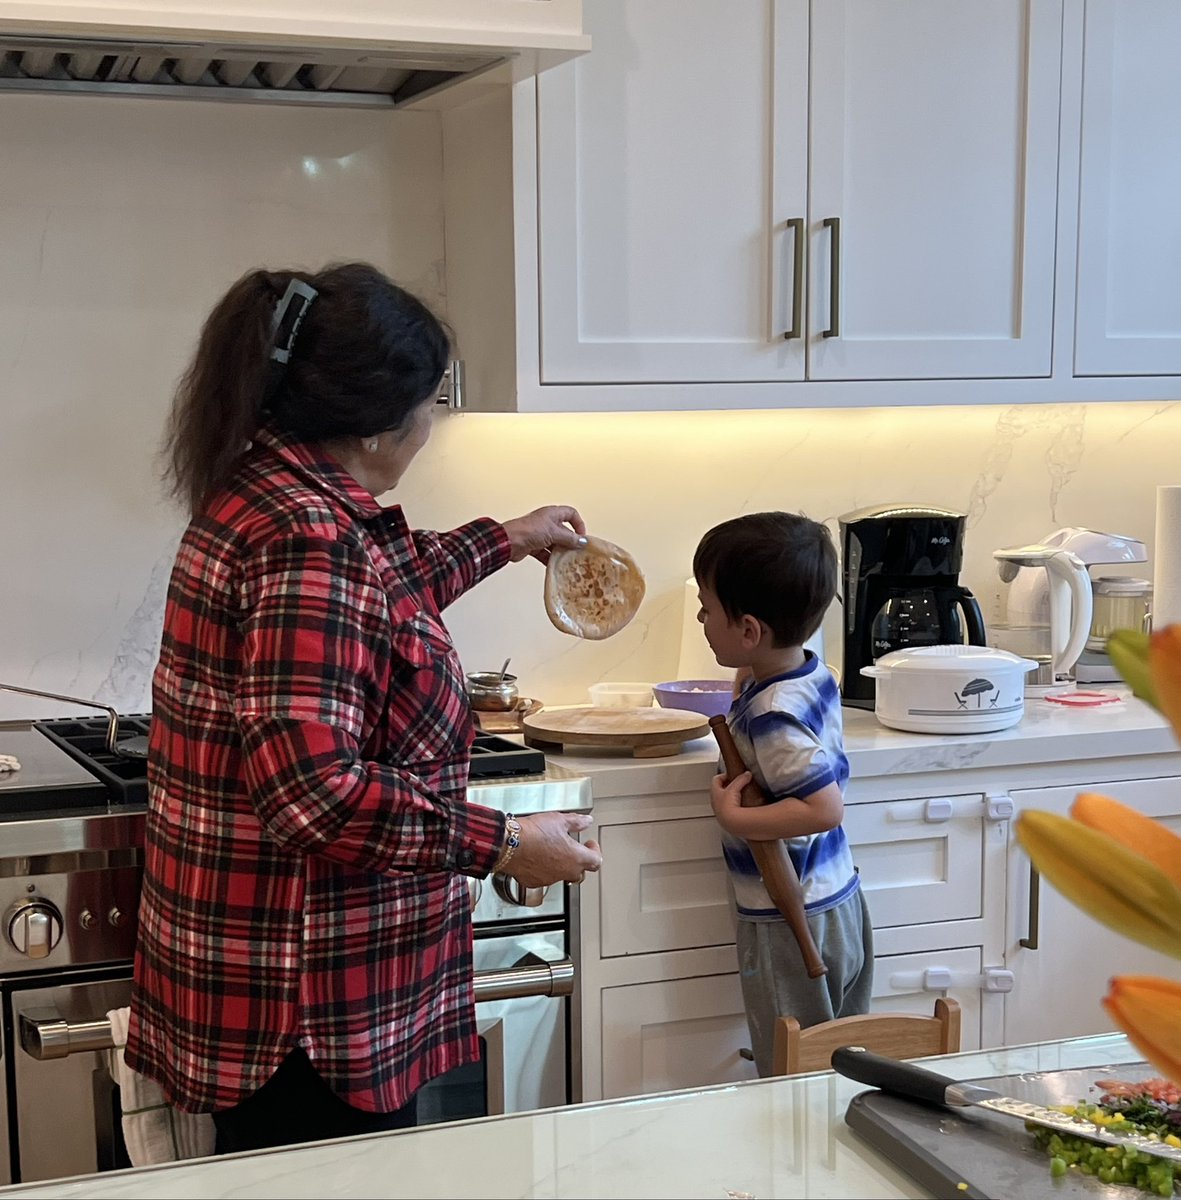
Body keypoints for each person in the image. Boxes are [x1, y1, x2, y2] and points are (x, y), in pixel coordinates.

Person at [126, 261, 603, 1154]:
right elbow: (314, 794)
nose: (431, 424)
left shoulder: (265, 492)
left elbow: (381, 588)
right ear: (382, 422)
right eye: (431, 405)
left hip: (258, 975)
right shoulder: (311, 539)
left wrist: (506, 538)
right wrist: (502, 840)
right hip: (312, 1008)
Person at [693, 511, 873, 1077]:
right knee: (840, 1049)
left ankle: (800, 1160)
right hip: (838, 897)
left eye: (706, 606)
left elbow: (823, 807)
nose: (700, 616)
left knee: (796, 1068)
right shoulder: (807, 673)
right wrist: (745, 679)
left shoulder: (775, 715)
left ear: (749, 630)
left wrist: (735, 818)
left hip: (790, 914)